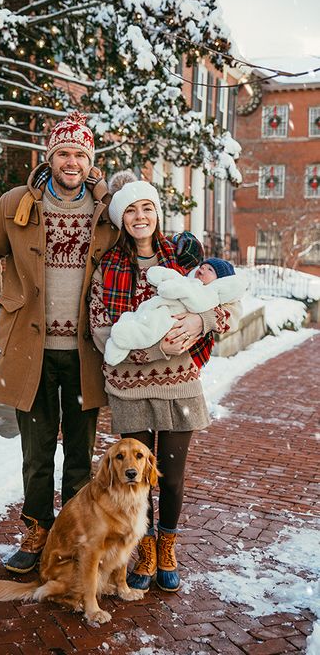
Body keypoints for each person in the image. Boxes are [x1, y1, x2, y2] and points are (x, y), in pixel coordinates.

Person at [0, 116, 202, 576]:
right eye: (63, 153)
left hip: (85, 356)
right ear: (50, 157)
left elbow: (144, 237)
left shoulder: (105, 208)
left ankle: (76, 535)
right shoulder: (18, 203)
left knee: (79, 455)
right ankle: (37, 529)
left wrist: (191, 264)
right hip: (30, 352)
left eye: (80, 154)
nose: (71, 161)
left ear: (89, 160)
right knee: (36, 453)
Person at [89, 179, 242, 593]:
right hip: (128, 386)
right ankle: (146, 550)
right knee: (135, 479)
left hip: (179, 387)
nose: (140, 217)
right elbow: (101, 328)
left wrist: (201, 322)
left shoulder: (184, 258)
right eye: (132, 211)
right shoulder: (109, 266)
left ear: (157, 213)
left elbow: (229, 304)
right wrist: (154, 350)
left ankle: (168, 546)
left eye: (147, 209)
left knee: (170, 478)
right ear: (122, 219)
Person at [105, 257, 246, 365]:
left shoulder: (210, 292)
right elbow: (173, 277)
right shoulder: (188, 280)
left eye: (210, 270)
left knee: (151, 327)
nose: (202, 269)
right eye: (202, 266)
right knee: (136, 318)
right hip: (155, 310)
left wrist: (201, 320)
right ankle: (119, 345)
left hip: (172, 328)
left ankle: (124, 338)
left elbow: (233, 313)